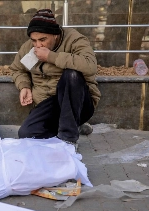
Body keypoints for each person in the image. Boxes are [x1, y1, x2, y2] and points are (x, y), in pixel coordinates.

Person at [9, 9, 101, 146]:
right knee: (26, 134)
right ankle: (71, 126)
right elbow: (17, 69)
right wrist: (24, 86)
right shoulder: (29, 47)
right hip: (48, 104)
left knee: (72, 75)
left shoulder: (74, 39)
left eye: (43, 40)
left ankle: (68, 139)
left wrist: (51, 57)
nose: (38, 45)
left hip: (79, 103)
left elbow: (90, 65)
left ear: (56, 35)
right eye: (34, 40)